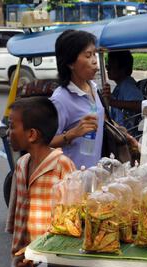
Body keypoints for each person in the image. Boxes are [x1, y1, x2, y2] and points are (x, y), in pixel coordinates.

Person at [5, 96, 76, 257]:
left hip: (48, 257)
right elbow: (15, 209)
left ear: (31, 134)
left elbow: (70, 222)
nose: (8, 132)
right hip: (21, 254)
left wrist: (38, 250)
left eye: (12, 126)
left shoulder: (62, 166)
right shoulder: (22, 164)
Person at [49, 29, 104, 168]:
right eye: (88, 55)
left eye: (94, 54)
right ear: (70, 63)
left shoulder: (93, 88)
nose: (94, 61)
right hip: (72, 178)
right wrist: (73, 133)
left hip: (93, 172)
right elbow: (45, 141)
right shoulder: (60, 99)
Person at [102, 50, 144, 134]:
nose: (107, 68)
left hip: (126, 135)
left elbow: (140, 105)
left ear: (123, 69)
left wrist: (113, 102)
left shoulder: (127, 85)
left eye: (111, 65)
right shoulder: (121, 85)